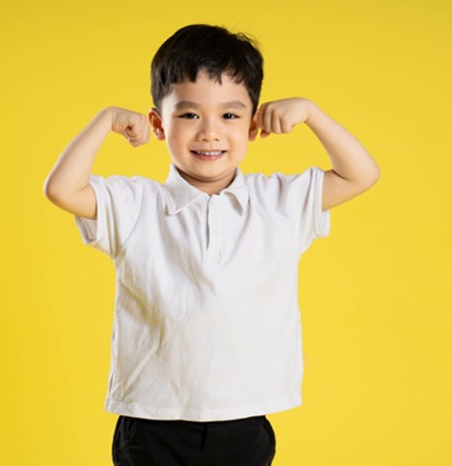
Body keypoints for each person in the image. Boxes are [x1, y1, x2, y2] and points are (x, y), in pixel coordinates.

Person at [43, 24, 379, 466]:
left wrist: (312, 114)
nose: (209, 132)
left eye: (229, 115)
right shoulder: (137, 205)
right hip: (151, 418)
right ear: (158, 124)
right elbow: (62, 190)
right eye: (189, 115)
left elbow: (361, 174)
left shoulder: (278, 202)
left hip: (243, 417)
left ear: (254, 123)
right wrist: (104, 121)